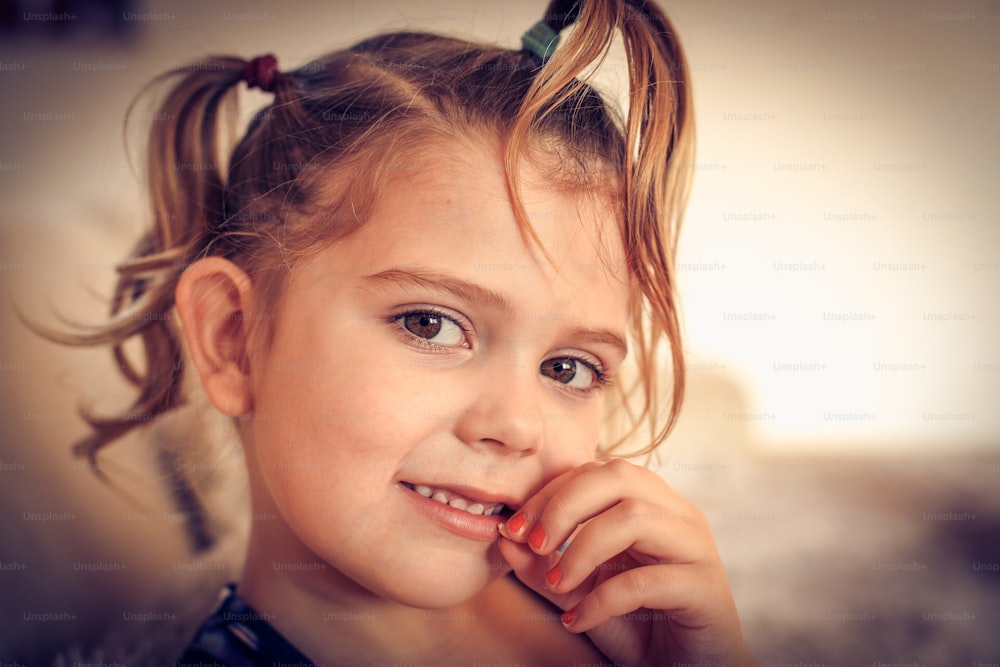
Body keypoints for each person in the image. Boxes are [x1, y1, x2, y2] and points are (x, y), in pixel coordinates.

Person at [38, 0, 755, 664]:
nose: (515, 425)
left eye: (568, 368)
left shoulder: (617, 618)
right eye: (431, 323)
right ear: (234, 336)